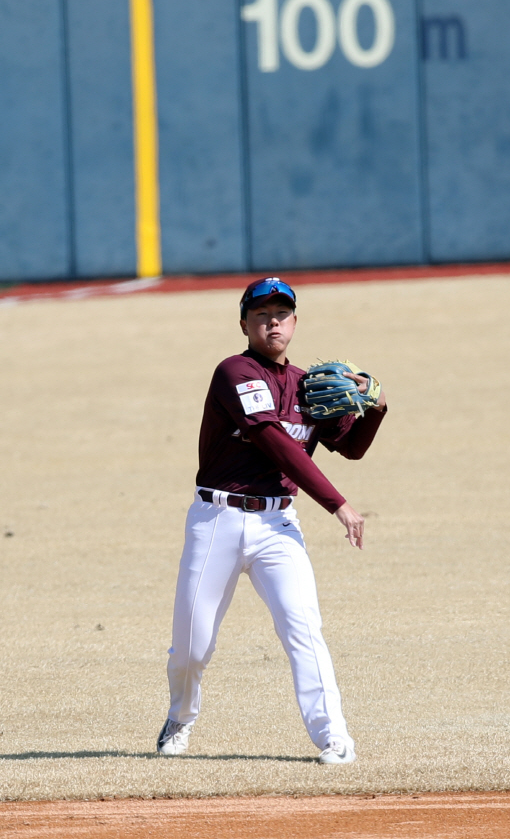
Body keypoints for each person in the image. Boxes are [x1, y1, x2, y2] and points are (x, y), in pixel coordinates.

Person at [157, 277, 387, 764]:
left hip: (278, 528)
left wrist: (376, 404)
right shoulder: (234, 373)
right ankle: (180, 717)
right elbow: (275, 442)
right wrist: (336, 503)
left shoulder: (308, 386)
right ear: (244, 323)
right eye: (261, 314)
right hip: (217, 519)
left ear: (296, 322)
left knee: (304, 630)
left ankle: (334, 737)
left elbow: (351, 447)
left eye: (282, 313)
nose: (272, 322)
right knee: (192, 648)